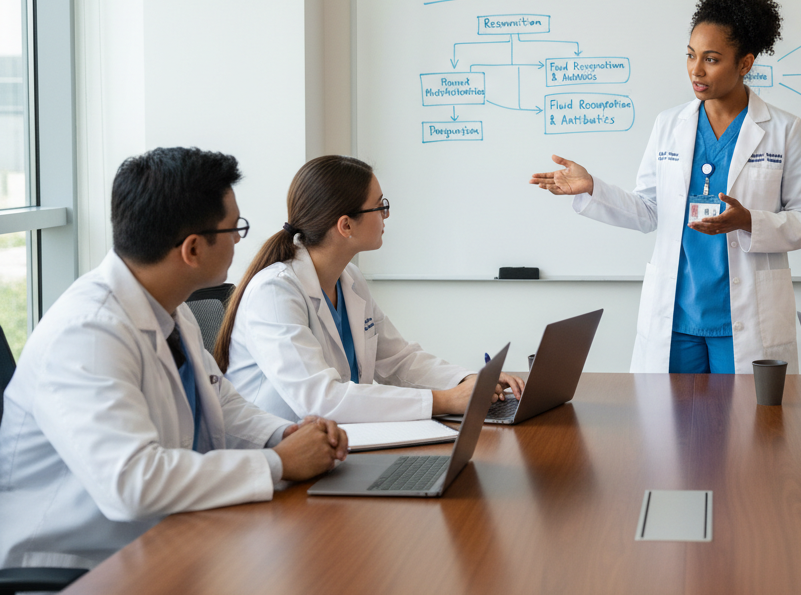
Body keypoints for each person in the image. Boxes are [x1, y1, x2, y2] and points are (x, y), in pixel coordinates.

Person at [0, 148, 347, 569]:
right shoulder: (86, 334)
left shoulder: (169, 306)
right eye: (234, 228)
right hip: (78, 567)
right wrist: (277, 463)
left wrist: (286, 434)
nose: (240, 239)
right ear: (193, 249)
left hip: (168, 541)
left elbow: (222, 402)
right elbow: (132, 484)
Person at [530, 0, 801, 373]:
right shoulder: (669, 124)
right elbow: (649, 210)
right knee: (669, 431)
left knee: (749, 431)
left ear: (745, 63)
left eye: (712, 59)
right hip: (677, 317)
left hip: (746, 317)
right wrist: (593, 188)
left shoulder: (783, 129)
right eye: (690, 56)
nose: (696, 70)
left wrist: (750, 221)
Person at [218, 155, 524, 422]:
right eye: (380, 207)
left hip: (339, 440)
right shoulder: (275, 292)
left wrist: (469, 379)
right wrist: (445, 400)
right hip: (280, 458)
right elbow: (320, 400)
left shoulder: (349, 278)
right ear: (346, 226)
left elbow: (398, 359)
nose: (385, 215)